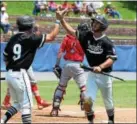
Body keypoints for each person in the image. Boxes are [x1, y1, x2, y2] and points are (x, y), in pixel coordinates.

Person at [56, 10, 117, 124]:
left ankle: (111, 120)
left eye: (97, 23)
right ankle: (90, 121)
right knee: (87, 101)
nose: (94, 24)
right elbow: (72, 32)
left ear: (102, 26)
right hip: (92, 75)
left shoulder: (107, 42)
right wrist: (61, 20)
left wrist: (100, 66)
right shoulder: (87, 36)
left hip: (104, 76)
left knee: (108, 101)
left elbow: (112, 59)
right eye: (94, 22)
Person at [0, 14, 61, 123]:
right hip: (20, 74)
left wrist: (13, 66)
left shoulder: (13, 38)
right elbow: (51, 37)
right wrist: (58, 21)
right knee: (27, 106)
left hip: (9, 74)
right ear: (29, 26)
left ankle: (2, 121)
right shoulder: (31, 37)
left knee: (17, 104)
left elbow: (5, 57)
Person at [50, 34, 86, 116]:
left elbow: (60, 52)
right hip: (78, 65)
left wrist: (57, 64)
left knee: (61, 87)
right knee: (83, 88)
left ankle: (54, 110)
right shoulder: (84, 38)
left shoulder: (67, 37)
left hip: (67, 65)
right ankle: (87, 111)